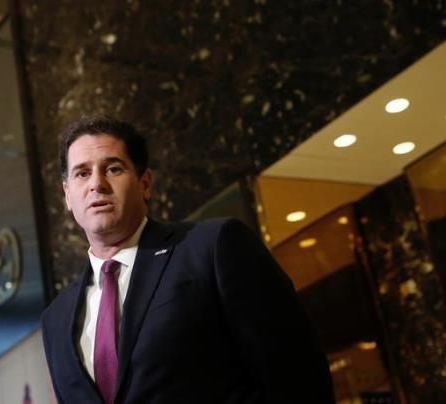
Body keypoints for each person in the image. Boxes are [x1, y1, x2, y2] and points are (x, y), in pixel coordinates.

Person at [41, 116, 335, 403]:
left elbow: (297, 373)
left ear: (145, 184)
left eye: (113, 169)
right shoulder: (56, 319)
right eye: (82, 173)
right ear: (67, 195)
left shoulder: (213, 247)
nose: (97, 184)